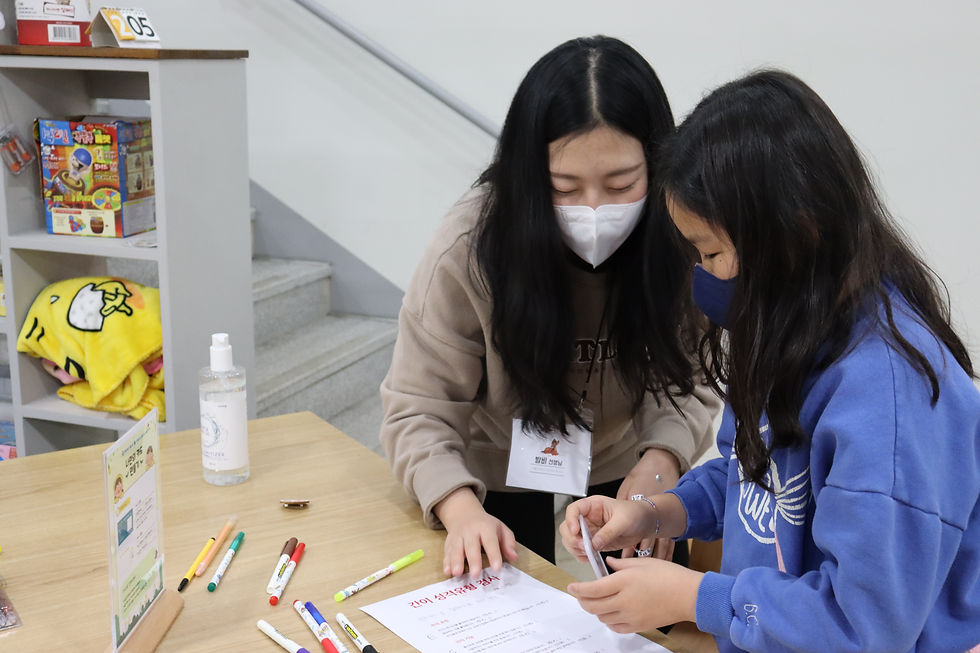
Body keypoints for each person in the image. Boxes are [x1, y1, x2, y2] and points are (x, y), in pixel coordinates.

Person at [559, 70, 980, 651]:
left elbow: (864, 628)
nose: (701, 275)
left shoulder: (887, 398)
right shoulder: (793, 329)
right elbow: (756, 480)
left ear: (794, 234)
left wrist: (693, 596)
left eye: (711, 252)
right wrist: (657, 513)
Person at [381, 35, 721, 579]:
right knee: (507, 597)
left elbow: (692, 377)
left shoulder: (680, 233)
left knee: (652, 599)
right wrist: (461, 510)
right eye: (563, 187)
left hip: (633, 458)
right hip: (496, 467)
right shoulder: (470, 247)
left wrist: (662, 461)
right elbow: (418, 407)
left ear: (659, 165)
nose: (593, 210)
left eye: (621, 184)